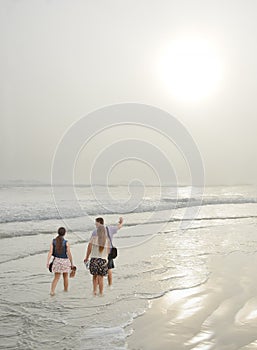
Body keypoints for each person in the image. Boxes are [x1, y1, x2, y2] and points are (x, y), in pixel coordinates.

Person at [84, 217, 123, 287]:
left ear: (99, 223)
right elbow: (118, 227)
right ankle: (110, 285)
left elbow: (91, 244)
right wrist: (121, 222)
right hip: (109, 251)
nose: (95, 224)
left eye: (96, 223)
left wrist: (87, 256)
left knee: (98, 272)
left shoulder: (95, 232)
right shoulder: (109, 229)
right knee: (109, 269)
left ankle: (98, 287)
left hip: (99, 253)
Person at [46, 227, 74, 296]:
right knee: (65, 276)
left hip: (57, 261)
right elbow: (69, 253)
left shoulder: (53, 241)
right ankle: (65, 290)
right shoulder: (66, 242)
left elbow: (50, 252)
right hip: (65, 261)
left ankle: (52, 291)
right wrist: (72, 263)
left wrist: (47, 262)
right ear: (64, 233)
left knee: (56, 277)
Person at [83, 225, 109, 296]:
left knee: (94, 277)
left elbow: (89, 249)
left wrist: (86, 257)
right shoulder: (106, 240)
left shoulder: (93, 239)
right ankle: (101, 292)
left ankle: (94, 291)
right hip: (103, 260)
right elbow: (108, 251)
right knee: (101, 278)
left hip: (94, 259)